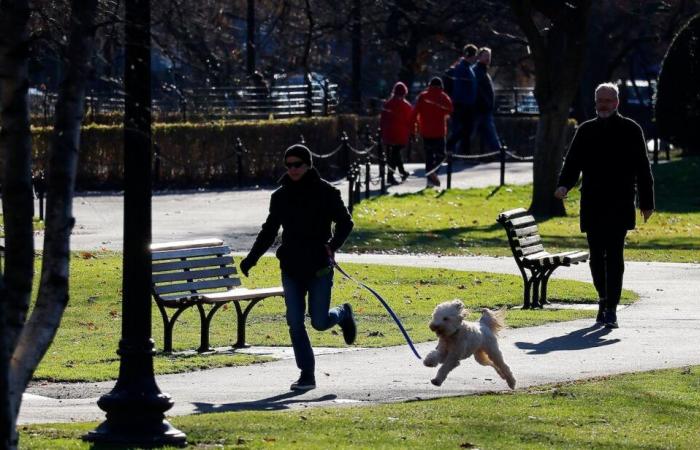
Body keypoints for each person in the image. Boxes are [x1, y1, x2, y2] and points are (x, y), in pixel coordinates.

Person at [239, 144, 357, 391]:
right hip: (291, 267)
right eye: (288, 165)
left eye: (298, 164)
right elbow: (269, 231)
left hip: (319, 267)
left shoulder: (326, 192)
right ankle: (307, 374)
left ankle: (343, 313)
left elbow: (346, 222)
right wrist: (252, 258)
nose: (292, 169)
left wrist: (332, 246)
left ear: (308, 164)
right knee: (294, 321)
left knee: (319, 322)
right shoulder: (280, 196)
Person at [555, 82, 655, 329]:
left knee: (615, 257)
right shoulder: (586, 130)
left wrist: (646, 201)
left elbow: (643, 167)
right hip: (593, 201)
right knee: (596, 258)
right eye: (600, 100)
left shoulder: (631, 129)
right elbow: (573, 162)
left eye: (608, 100)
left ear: (617, 102)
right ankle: (603, 300)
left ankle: (611, 309)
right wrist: (564, 185)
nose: (603, 104)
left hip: (620, 201)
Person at [412, 77, 453, 187]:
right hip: (439, 131)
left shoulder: (423, 96)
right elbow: (450, 110)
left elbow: (415, 112)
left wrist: (415, 128)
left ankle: (429, 180)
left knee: (429, 156)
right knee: (441, 155)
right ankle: (434, 173)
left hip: (425, 131)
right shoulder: (444, 97)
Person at [444, 44, 478, 155]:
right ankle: (453, 146)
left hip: (465, 103)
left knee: (466, 129)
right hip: (463, 104)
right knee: (465, 129)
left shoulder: (465, 67)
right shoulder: (463, 68)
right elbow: (459, 87)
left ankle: (464, 152)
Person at [380, 81, 413, 185]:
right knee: (395, 154)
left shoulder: (387, 104)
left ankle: (401, 172)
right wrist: (412, 133)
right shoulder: (407, 106)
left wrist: (382, 131)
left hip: (389, 133)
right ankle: (391, 176)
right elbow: (410, 121)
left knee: (394, 154)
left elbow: (383, 119)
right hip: (400, 134)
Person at [472, 47, 502, 154]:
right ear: (479, 57)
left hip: (483, 108)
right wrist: (485, 102)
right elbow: (478, 90)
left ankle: (497, 152)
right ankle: (498, 153)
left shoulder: (481, 71)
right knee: (486, 131)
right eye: (485, 56)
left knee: (485, 132)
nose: (488, 58)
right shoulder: (478, 71)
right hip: (480, 108)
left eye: (489, 56)